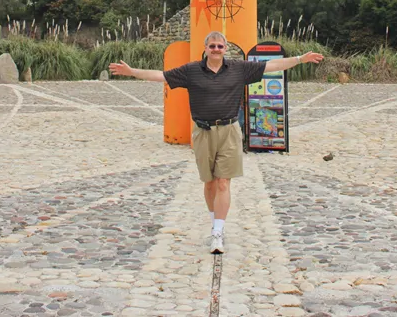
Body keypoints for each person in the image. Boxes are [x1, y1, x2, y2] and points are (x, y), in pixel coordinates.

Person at [109, 31, 324, 255]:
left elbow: (271, 65)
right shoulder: (191, 71)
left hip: (229, 131)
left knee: (223, 183)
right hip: (203, 131)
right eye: (212, 46)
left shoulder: (238, 69)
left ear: (225, 48)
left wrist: (300, 59)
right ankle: (214, 222)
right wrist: (132, 72)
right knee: (210, 183)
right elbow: (161, 76)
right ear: (205, 48)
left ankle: (218, 232)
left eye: (220, 46)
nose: (216, 50)